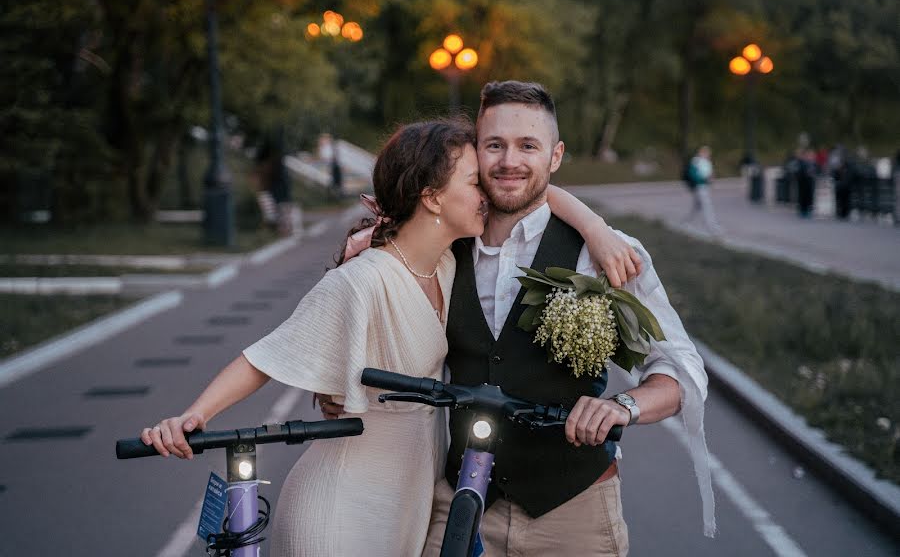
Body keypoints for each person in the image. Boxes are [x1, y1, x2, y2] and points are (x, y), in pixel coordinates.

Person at [141, 117, 640, 556]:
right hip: (342, 504)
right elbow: (264, 357)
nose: (487, 192)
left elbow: (533, 189)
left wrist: (595, 228)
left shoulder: (447, 264)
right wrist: (195, 416)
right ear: (432, 196)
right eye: (474, 181)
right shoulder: (364, 278)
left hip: (409, 504)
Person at [417, 82, 715, 556]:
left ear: (555, 157)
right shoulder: (443, 246)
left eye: (527, 146)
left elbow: (680, 368)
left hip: (575, 510)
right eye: (494, 145)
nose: (509, 161)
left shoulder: (604, 254)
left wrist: (624, 406)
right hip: (459, 504)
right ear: (476, 152)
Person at [683, 145, 723, 235]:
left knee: (697, 207)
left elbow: (709, 173)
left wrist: (711, 179)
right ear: (700, 152)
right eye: (705, 152)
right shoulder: (696, 161)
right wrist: (704, 179)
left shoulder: (707, 162)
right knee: (707, 207)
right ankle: (712, 227)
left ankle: (687, 223)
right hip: (700, 187)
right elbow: (693, 175)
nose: (707, 154)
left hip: (705, 186)